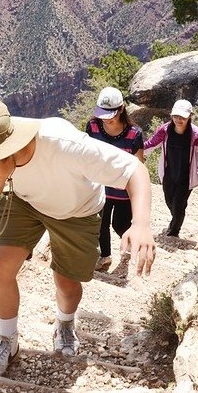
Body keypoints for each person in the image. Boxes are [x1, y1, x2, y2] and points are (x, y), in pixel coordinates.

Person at [0, 98, 155, 377]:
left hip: (76, 211)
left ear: (8, 150)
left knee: (66, 283)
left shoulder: (66, 146)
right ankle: (7, 341)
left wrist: (141, 224)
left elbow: (135, 170)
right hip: (23, 200)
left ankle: (65, 323)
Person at [144, 99, 198, 237]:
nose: (178, 119)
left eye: (182, 117)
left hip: (186, 177)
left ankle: (174, 232)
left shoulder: (197, 134)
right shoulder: (165, 130)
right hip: (169, 173)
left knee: (179, 205)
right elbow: (150, 144)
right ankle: (174, 221)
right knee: (169, 201)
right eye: (176, 116)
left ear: (189, 116)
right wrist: (133, 150)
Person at [85, 87, 145, 271]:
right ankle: (105, 257)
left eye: (110, 113)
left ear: (121, 109)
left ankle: (128, 245)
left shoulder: (134, 134)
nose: (106, 118)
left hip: (122, 189)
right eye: (103, 114)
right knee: (100, 224)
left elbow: (139, 165)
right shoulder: (92, 127)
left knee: (120, 224)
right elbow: (86, 154)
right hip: (99, 186)